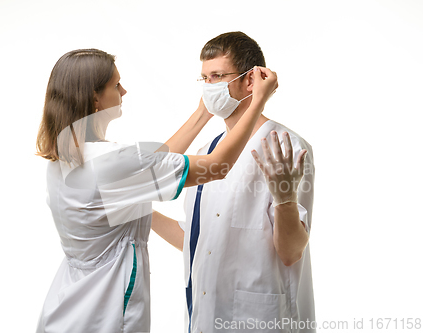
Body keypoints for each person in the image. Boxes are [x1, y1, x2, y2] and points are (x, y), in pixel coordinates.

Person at [34, 48, 277, 332]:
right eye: (115, 85)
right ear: (94, 98)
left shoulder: (65, 157)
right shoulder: (112, 161)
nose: (124, 91)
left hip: (66, 307)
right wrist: (258, 100)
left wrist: (202, 113)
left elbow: (153, 164)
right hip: (104, 313)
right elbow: (218, 166)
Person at [152, 32, 315, 333]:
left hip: (259, 321)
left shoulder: (283, 146)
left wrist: (285, 199)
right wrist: (138, 212)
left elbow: (291, 252)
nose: (209, 87)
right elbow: (196, 240)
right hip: (204, 317)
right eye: (203, 79)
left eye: (217, 76)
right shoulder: (207, 152)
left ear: (249, 80)